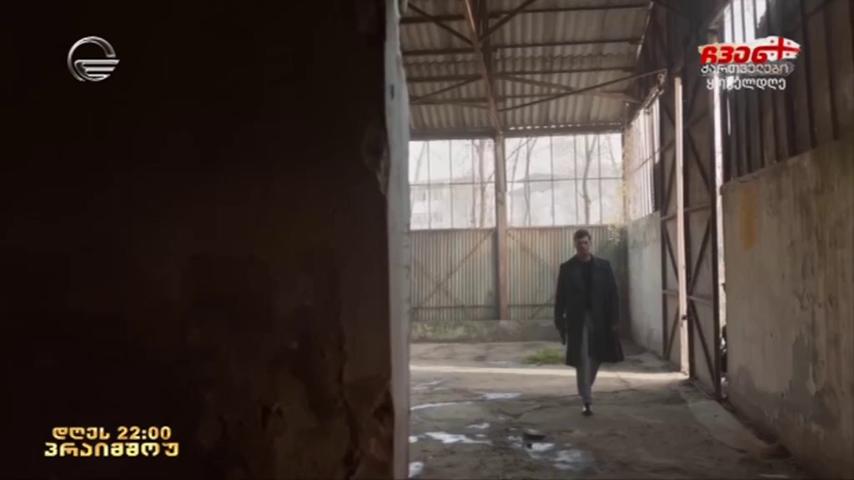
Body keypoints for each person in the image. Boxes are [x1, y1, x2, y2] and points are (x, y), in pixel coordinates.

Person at [554, 229, 624, 416]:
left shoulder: (603, 266)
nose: (583, 247)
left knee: (598, 356)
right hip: (579, 319)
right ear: (575, 245)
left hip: (601, 318)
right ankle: (586, 400)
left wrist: (615, 320)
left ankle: (586, 388)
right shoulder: (567, 268)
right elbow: (560, 297)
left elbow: (613, 294)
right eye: (579, 244)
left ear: (590, 243)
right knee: (583, 357)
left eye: (585, 243)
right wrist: (560, 322)